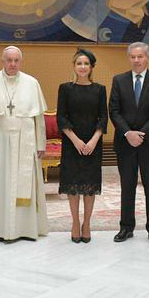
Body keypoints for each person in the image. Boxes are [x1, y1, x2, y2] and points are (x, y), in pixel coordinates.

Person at [0, 46, 49, 241]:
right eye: (9, 60)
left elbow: (38, 119)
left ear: (21, 62)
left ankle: (25, 229)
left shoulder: (32, 83)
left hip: (26, 140)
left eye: (16, 60)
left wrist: (40, 143)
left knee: (24, 186)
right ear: (2, 61)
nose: (13, 64)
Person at [109, 42, 149, 245]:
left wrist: (141, 135)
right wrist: (127, 133)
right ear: (129, 58)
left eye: (140, 56)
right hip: (125, 144)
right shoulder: (119, 80)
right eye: (133, 56)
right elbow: (114, 111)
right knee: (127, 186)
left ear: (147, 58)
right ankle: (126, 227)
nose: (136, 60)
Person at [57, 49, 107, 243]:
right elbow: (61, 116)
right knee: (73, 185)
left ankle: (87, 223)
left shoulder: (99, 89)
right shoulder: (66, 88)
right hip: (72, 143)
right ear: (74, 66)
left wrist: (94, 139)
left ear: (91, 67)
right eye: (79, 63)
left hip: (93, 143)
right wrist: (75, 140)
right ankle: (75, 223)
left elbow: (103, 117)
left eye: (86, 64)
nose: (83, 67)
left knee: (89, 186)